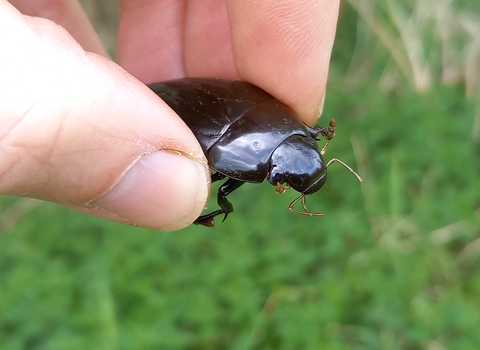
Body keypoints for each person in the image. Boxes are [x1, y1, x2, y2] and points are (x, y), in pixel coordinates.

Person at [0, 0, 339, 230]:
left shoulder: (263, 127)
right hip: (174, 101)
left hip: (192, 97)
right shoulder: (242, 148)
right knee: (218, 193)